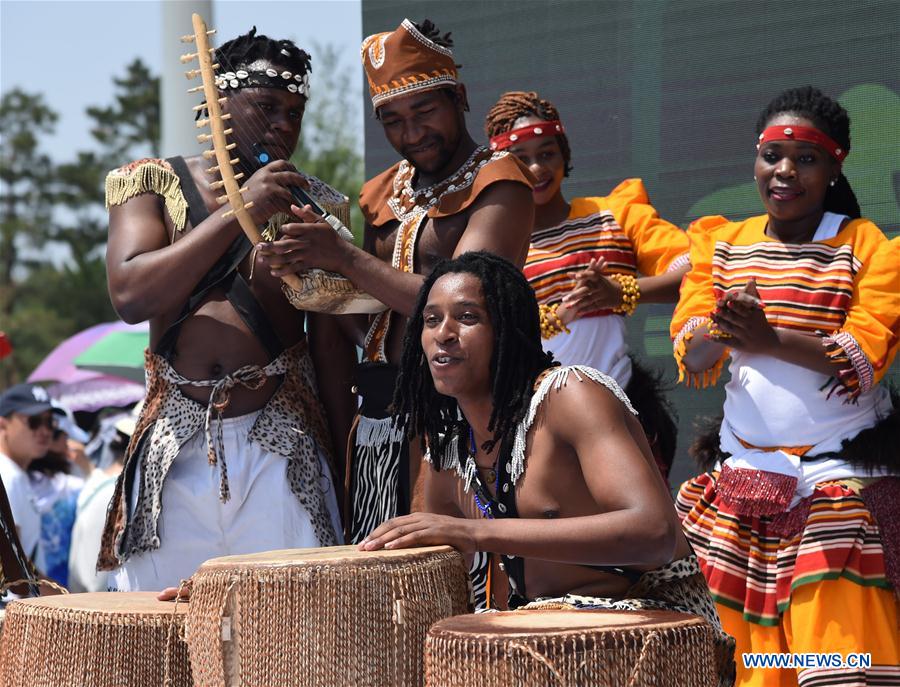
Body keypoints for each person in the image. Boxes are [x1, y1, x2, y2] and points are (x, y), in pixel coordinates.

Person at [361, 251, 735, 686]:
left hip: (651, 635)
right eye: (430, 320)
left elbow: (654, 534)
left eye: (467, 317)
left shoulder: (571, 394)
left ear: (508, 331)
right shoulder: (447, 447)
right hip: (542, 646)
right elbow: (435, 568)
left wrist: (473, 532)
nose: (444, 334)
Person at [259, 19, 535, 543]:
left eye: (424, 111)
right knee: (382, 598)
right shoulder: (382, 191)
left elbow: (461, 304)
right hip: (380, 423)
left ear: (459, 96)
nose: (410, 134)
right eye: (391, 120)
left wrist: (340, 255)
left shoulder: (500, 182)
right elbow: (371, 312)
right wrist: (311, 277)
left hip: (464, 417)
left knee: (457, 584)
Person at [98, 28, 346, 592]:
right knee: (167, 638)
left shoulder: (318, 205)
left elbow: (332, 350)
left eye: (295, 112)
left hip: (281, 445)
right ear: (218, 103)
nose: (284, 125)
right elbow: (131, 295)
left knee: (293, 639)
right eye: (266, 107)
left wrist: (346, 469)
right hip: (174, 445)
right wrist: (242, 209)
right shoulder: (150, 185)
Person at [672, 86, 900, 686]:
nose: (785, 172)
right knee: (743, 656)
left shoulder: (864, 247)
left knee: (831, 650)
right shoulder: (722, 244)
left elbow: (863, 354)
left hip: (837, 480)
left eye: (806, 159)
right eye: (773, 155)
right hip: (747, 474)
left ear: (835, 165)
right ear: (755, 158)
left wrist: (770, 339)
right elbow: (692, 347)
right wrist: (726, 327)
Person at [483, 91, 688, 480]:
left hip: (621, 405)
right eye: (521, 159)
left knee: (638, 527)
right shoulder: (497, 243)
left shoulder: (613, 213)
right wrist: (555, 317)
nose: (537, 168)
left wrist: (622, 293)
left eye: (547, 152)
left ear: (565, 153)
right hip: (534, 420)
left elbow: (690, 268)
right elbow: (487, 332)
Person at [0, 384, 63, 575]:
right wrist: (61, 597)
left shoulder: (14, 473)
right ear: (3, 424)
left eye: (49, 422)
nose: (45, 431)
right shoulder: (8, 476)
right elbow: (11, 563)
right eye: (34, 421)